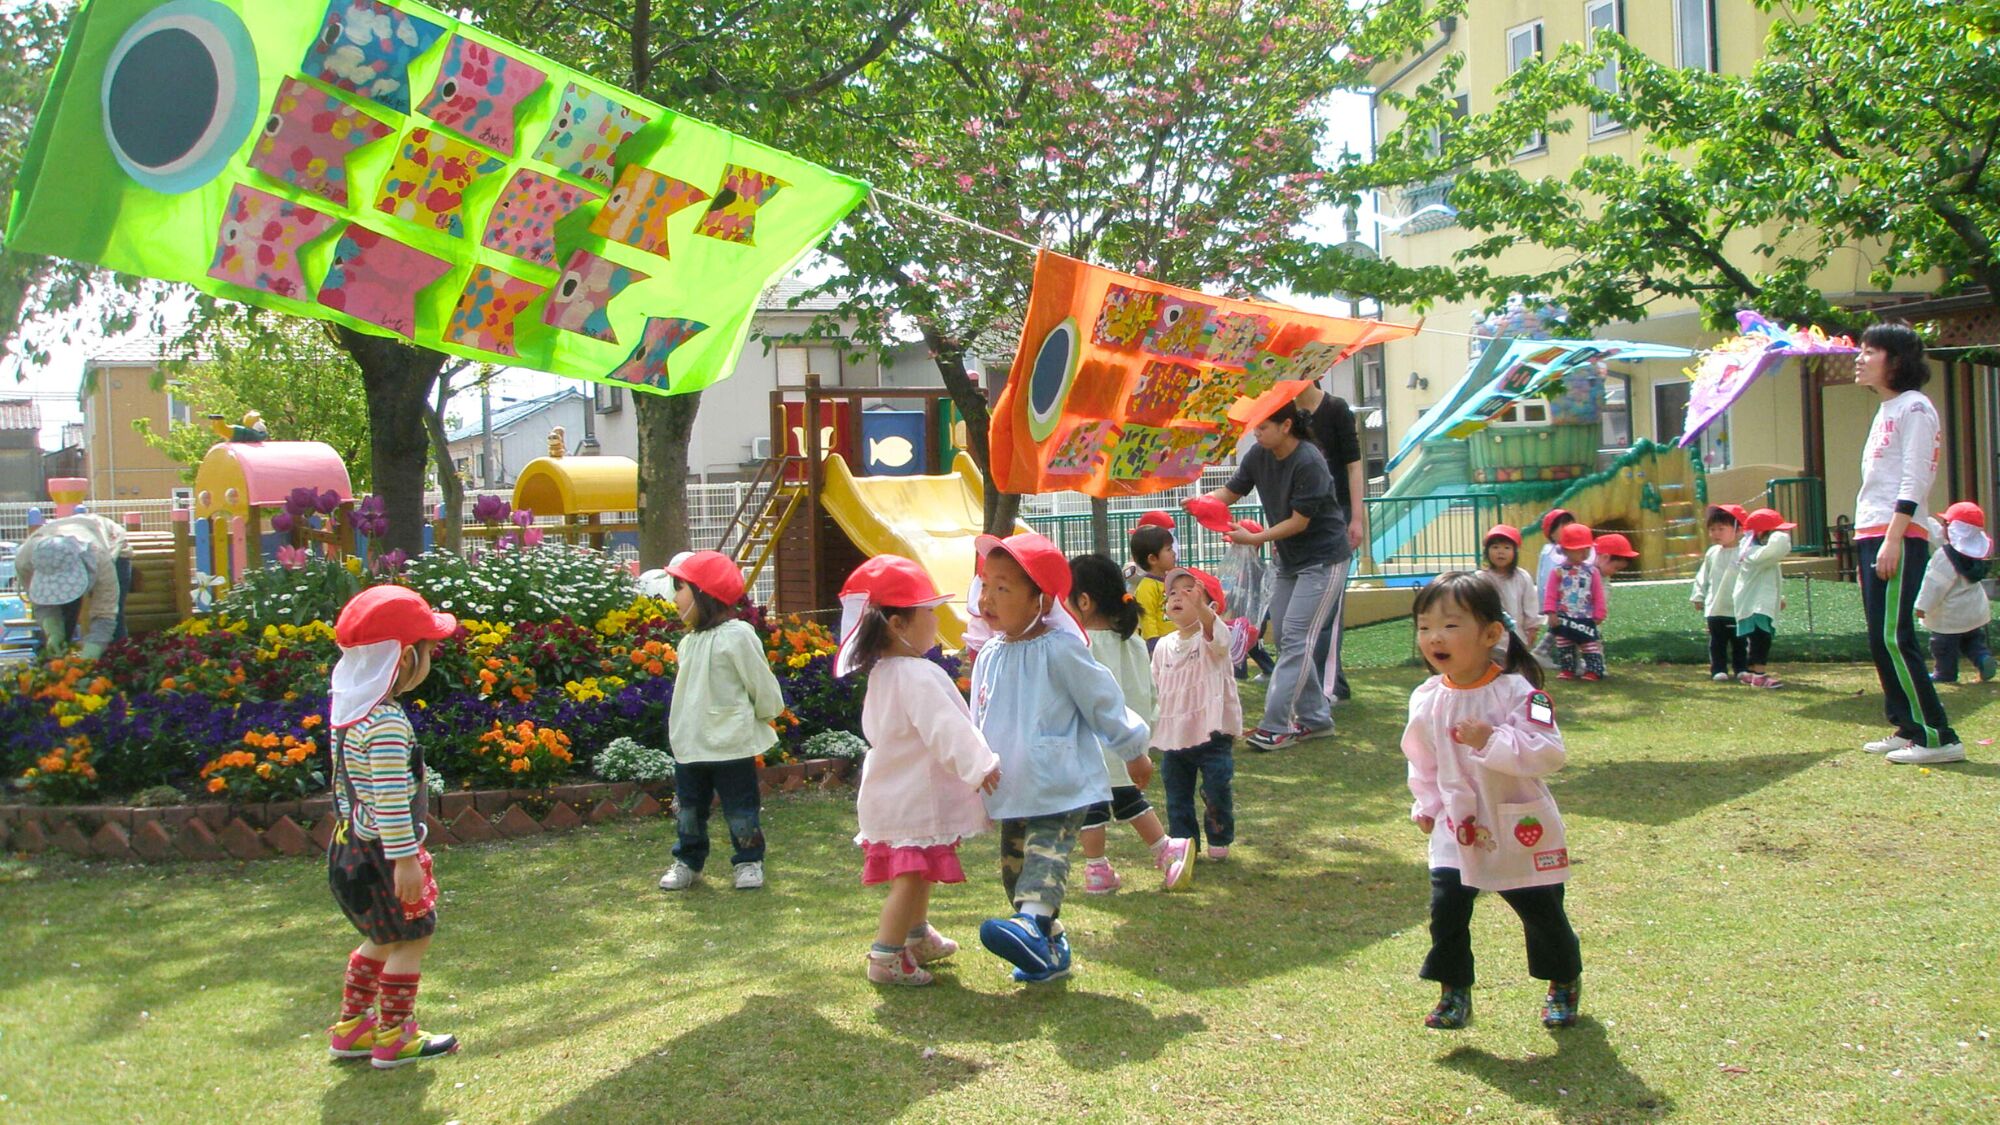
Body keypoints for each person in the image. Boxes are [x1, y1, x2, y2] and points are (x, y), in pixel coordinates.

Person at [969, 532, 1153, 984]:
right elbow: (978, 716)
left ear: (1040, 600)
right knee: (1015, 876)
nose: (989, 597)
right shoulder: (988, 655)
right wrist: (973, 765)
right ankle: (1048, 945)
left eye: (1004, 588)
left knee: (1044, 858)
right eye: (986, 585)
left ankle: (1031, 928)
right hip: (1011, 787)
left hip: (1060, 782)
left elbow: (1103, 701)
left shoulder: (1061, 647)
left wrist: (1133, 750)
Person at [1401, 572, 1580, 1031]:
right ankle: (1453, 990)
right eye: (1424, 627)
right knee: (1447, 911)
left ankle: (1562, 980)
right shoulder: (1426, 698)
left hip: (1516, 824)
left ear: (1491, 634)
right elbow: (1421, 759)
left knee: (1541, 912)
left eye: (1450, 625)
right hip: (1455, 827)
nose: (1434, 637)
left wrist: (1492, 738)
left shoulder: (1521, 693)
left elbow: (1549, 751)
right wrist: (1426, 805)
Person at [835, 555, 1002, 987]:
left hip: (892, 792)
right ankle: (886, 956)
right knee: (908, 878)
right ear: (898, 624)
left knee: (918, 865)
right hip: (912, 796)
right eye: (927, 610)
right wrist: (979, 764)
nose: (934, 618)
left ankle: (916, 936)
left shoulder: (885, 672)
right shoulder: (917, 674)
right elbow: (946, 729)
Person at [323, 585, 461, 1069]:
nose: (432, 657)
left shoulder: (349, 714)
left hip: (350, 847)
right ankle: (395, 1036)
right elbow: (389, 800)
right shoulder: (385, 723)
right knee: (414, 935)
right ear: (404, 659)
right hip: (384, 853)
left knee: (380, 935)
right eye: (428, 649)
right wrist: (405, 860)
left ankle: (353, 1027)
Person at [1198, 401, 1351, 750]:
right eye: (1255, 427)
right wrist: (1204, 504)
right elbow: (1231, 492)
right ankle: (1315, 719)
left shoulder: (1309, 461)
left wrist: (1253, 539)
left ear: (1286, 426)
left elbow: (1299, 522)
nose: (1256, 432)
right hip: (1289, 562)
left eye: (1263, 426)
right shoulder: (1257, 455)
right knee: (1286, 638)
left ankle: (1276, 725)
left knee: (1296, 638)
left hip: (1324, 561)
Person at [1852, 324, 1964, 763]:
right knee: (1880, 638)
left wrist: (1894, 537)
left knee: (1897, 637)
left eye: (1869, 351)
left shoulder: (1915, 408)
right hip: (1871, 529)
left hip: (1895, 533)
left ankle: (1939, 736)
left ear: (1895, 360)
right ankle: (1908, 726)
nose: (1859, 358)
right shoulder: (1887, 409)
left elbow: (1917, 476)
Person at [657, 551, 786, 892]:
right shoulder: (688, 643)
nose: (675, 596)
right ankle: (688, 860)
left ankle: (748, 861)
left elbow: (760, 684)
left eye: (680, 586)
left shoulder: (738, 635)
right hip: (690, 744)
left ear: (704, 593)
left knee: (741, 809)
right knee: (688, 810)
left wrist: (766, 713)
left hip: (732, 744)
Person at [1066, 553, 1192, 893]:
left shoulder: (1079, 646)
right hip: (1131, 742)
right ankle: (1165, 849)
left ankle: (1097, 869)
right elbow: (1149, 691)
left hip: (1090, 742)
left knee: (1092, 803)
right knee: (1127, 799)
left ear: (1084, 602)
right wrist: (1147, 729)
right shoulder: (1133, 641)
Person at [1153, 566, 1243, 863]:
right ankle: (1184, 843)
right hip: (1175, 736)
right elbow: (1155, 689)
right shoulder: (1164, 646)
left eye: (1189, 591)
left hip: (1212, 734)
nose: (1178, 597)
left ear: (1211, 606)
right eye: (1172, 593)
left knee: (1216, 787)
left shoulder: (1213, 637)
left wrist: (1202, 610)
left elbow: (1219, 639)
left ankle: (1219, 835)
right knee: (1176, 796)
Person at [1295, 379, 1368, 703]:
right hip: (1299, 523)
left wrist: (1355, 517)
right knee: (1298, 611)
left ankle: (1331, 685)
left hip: (1333, 520)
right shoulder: (1284, 412)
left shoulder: (1336, 408)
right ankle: (1310, 682)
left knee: (1329, 610)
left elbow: (1353, 466)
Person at [16, 511, 133, 660]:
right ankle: (54, 664)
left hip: (110, 541)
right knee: (63, 617)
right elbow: (41, 602)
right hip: (70, 531)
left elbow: (106, 611)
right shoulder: (24, 561)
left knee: (114, 626)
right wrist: (52, 630)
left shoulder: (100, 559)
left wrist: (94, 647)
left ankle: (116, 667)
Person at [1916, 502, 1995, 684]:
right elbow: (1942, 538)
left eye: (1947, 524)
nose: (1943, 527)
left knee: (1943, 646)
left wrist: (1922, 607)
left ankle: (1945, 673)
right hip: (1974, 613)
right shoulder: (1974, 553)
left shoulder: (1944, 558)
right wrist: (1924, 519)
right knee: (1972, 641)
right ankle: (1982, 659)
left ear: (1955, 530)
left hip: (1950, 616)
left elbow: (1934, 586)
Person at [1731, 509, 1793, 690]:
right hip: (1754, 605)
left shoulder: (1756, 553)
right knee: (1761, 638)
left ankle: (1751, 673)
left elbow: (1768, 578)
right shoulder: (1752, 553)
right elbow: (1776, 549)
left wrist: (1778, 598)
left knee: (1758, 638)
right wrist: (1780, 536)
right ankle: (1759, 675)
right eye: (1774, 532)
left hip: (1758, 603)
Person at [1690, 506, 1750, 682]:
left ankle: (1741, 668)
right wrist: (1698, 595)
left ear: (1738, 529)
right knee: (1717, 642)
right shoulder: (1712, 553)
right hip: (1715, 607)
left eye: (1721, 529)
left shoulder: (1746, 553)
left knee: (1740, 641)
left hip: (1739, 608)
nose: (1716, 533)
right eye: (1712, 529)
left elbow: (1758, 577)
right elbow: (1703, 576)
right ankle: (1718, 669)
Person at [1541, 522, 1606, 681]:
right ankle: (1568, 669)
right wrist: (1551, 612)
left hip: (1585, 616)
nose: (1584, 553)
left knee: (1589, 643)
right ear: (1565, 550)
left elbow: (1598, 593)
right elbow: (1550, 594)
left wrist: (1599, 612)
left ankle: (1594, 669)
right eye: (1579, 549)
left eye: (1587, 549)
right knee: (1564, 643)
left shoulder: (1592, 572)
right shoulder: (1557, 572)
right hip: (1563, 616)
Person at [1478, 524, 1539, 660]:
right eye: (1495, 547)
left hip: (1516, 638)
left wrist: (1532, 628)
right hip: (1489, 639)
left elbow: (1530, 604)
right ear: (1487, 552)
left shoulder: (1522, 577)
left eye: (1507, 548)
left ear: (1514, 552)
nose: (1501, 552)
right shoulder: (1481, 579)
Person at [1126, 523, 1177, 647]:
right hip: (1160, 645)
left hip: (1175, 641)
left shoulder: (1171, 580)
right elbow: (1146, 617)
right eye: (1169, 549)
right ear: (1152, 559)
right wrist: (1153, 642)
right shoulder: (1147, 586)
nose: (1174, 553)